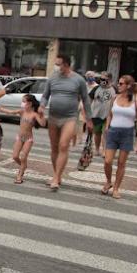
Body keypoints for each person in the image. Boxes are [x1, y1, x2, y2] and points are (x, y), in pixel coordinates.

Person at [39, 53, 93, 191]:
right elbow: (45, 96)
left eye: (58, 64)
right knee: (54, 147)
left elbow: (86, 100)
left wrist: (89, 119)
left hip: (69, 117)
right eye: (56, 64)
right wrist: (41, 106)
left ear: (67, 64)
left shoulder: (78, 80)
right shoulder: (52, 78)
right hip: (53, 117)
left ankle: (56, 178)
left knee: (63, 145)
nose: (56, 67)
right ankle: (57, 174)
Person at [102, 75, 137, 200]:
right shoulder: (114, 98)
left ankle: (116, 188)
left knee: (121, 163)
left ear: (128, 86)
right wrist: (107, 127)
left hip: (127, 133)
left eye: (121, 84)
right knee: (107, 161)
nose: (119, 85)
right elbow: (109, 114)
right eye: (119, 83)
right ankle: (108, 181)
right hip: (113, 131)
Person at [0, 94, 46, 184]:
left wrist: (42, 114)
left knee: (23, 157)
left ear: (30, 103)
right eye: (22, 102)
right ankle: (23, 166)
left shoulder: (34, 115)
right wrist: (1, 109)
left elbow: (43, 124)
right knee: (15, 156)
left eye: (24, 102)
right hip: (19, 138)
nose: (22, 104)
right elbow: (11, 112)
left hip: (28, 139)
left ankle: (19, 175)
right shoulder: (22, 112)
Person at [90, 72, 116, 156]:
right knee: (97, 133)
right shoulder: (96, 88)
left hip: (108, 115)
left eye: (104, 79)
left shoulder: (114, 89)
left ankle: (104, 150)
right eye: (101, 79)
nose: (102, 81)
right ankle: (97, 149)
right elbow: (89, 100)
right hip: (96, 114)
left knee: (106, 132)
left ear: (109, 80)